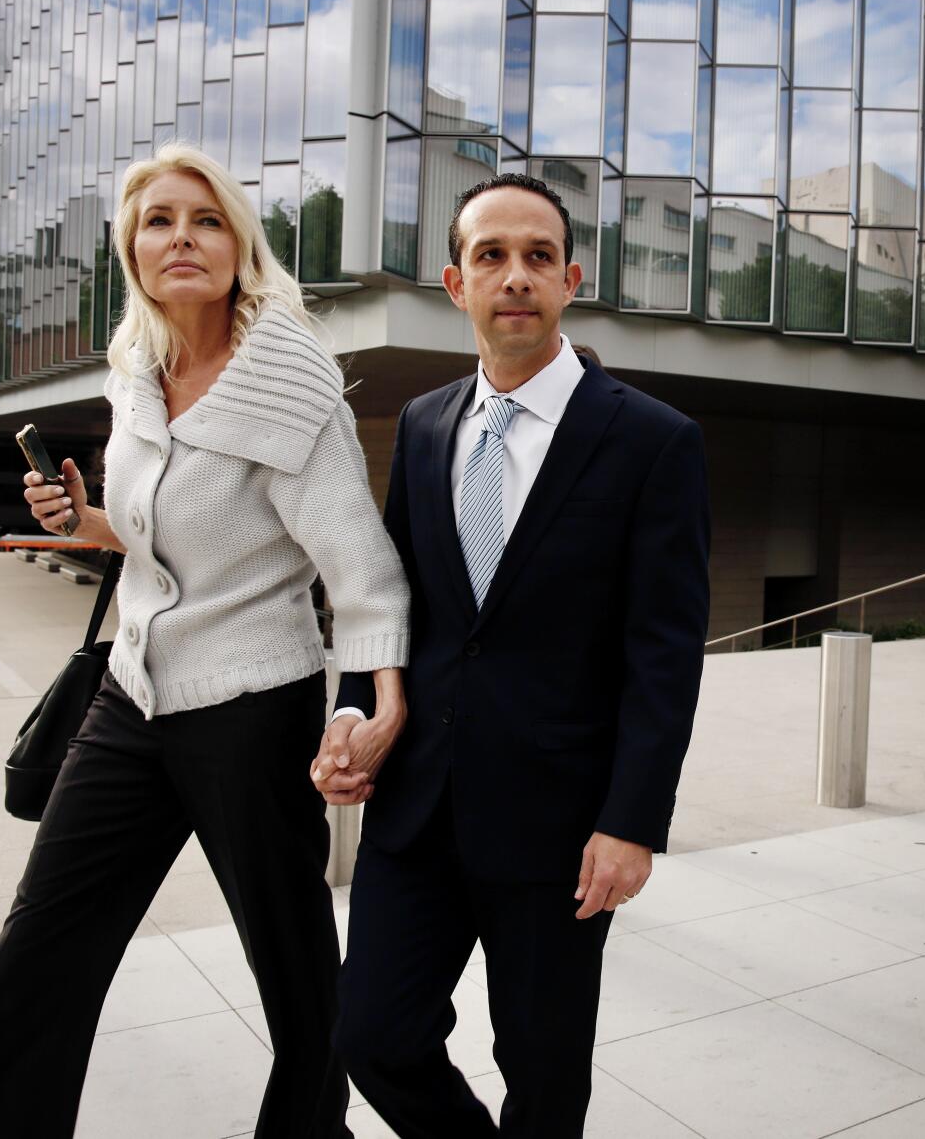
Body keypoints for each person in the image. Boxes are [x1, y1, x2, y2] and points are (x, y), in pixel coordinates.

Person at [0, 143, 410, 1139]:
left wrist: (375, 703)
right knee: (38, 956)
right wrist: (84, 519)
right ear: (132, 249)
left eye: (204, 220)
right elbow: (156, 531)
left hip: (252, 708)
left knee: (296, 985)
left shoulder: (288, 377)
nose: (180, 239)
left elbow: (360, 568)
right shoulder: (137, 368)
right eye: (158, 222)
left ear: (239, 244)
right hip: (132, 697)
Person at [313, 173, 710, 1137]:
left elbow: (665, 654)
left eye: (538, 256)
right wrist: (356, 713)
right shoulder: (422, 424)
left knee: (542, 1073)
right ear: (458, 284)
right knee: (372, 1037)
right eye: (491, 256)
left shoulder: (654, 442)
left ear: (571, 279)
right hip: (418, 811)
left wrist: (632, 823)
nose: (515, 275)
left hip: (561, 830)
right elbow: (388, 602)